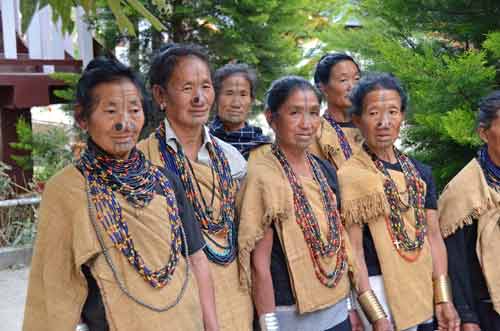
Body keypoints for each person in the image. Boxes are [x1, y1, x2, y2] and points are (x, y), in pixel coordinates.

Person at [23, 57, 218, 331]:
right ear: (82, 117)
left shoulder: (165, 182)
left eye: (134, 110)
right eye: (111, 111)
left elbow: (196, 260)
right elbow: (54, 284)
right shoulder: (68, 189)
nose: (124, 124)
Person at [138, 44, 253, 330]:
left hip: (235, 297)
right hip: (175, 302)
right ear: (160, 95)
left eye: (206, 86)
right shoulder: (141, 162)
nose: (200, 98)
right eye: (187, 88)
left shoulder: (231, 159)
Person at [337, 73, 460, 331]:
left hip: (422, 286)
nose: (384, 122)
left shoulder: (420, 172)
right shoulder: (351, 176)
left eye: (392, 112)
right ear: (357, 119)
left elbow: (434, 237)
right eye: (373, 114)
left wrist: (444, 297)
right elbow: (354, 250)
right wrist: (375, 314)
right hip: (379, 288)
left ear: (402, 116)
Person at [238, 76, 357, 331]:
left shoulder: (324, 169)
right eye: (294, 113)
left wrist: (352, 307)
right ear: (271, 118)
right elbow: (259, 266)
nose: (306, 124)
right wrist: (269, 326)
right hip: (289, 314)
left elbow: (339, 242)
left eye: (314, 113)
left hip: (337, 310)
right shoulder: (262, 176)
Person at [439, 90, 500, 331]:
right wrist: (467, 317)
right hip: (487, 310)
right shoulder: (463, 191)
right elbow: (457, 262)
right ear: (483, 133)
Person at [310, 53, 363, 169]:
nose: (353, 86)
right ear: (322, 87)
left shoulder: (370, 126)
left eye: (357, 79)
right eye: (343, 80)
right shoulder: (315, 132)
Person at [209, 63, 272, 159]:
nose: (236, 103)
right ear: (216, 98)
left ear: (251, 100)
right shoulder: (202, 140)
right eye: (229, 93)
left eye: (243, 95)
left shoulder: (265, 149)